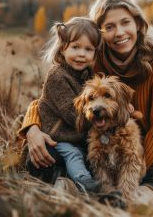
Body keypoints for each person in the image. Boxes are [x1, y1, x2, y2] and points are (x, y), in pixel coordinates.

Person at [18, 0, 153, 202]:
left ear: (138, 24)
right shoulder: (93, 59)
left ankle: (142, 195)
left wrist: (138, 167)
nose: (119, 32)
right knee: (47, 156)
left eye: (125, 23)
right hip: (105, 140)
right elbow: (52, 97)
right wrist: (32, 128)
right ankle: (84, 188)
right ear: (99, 34)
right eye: (109, 27)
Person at [33, 17, 103, 192]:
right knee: (73, 154)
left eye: (88, 49)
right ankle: (84, 182)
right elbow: (73, 115)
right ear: (63, 48)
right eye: (75, 47)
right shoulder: (57, 76)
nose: (81, 54)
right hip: (59, 136)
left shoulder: (87, 74)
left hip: (77, 135)